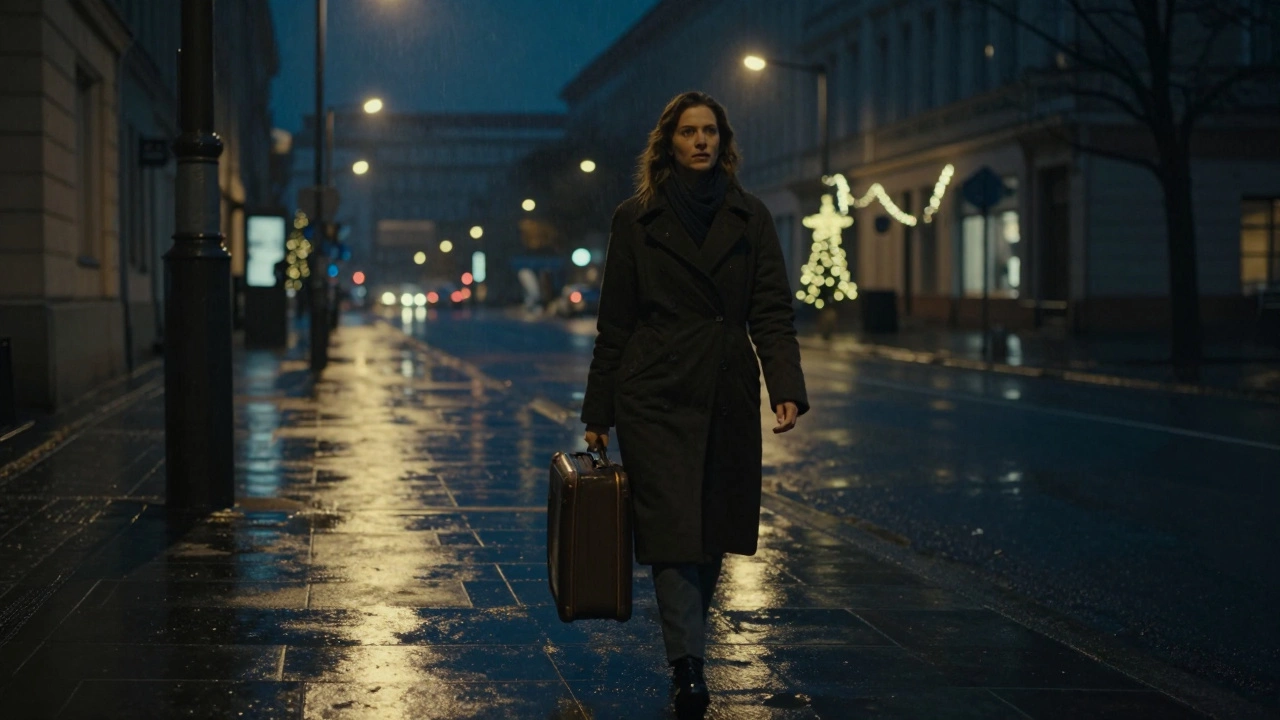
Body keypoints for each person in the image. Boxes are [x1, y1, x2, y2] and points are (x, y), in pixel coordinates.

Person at [580, 91, 809, 720]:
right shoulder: (636, 219)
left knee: (712, 530)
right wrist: (598, 413)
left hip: (727, 387)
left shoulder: (750, 216)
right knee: (673, 529)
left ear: (723, 141)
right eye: (688, 132)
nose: (701, 140)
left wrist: (785, 386)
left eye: (710, 131)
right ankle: (688, 666)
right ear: (669, 144)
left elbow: (771, 309)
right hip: (654, 392)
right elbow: (614, 323)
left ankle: (689, 650)